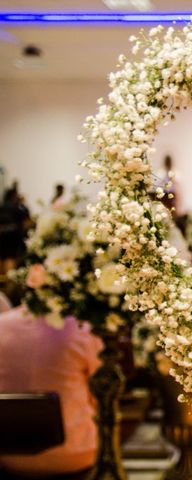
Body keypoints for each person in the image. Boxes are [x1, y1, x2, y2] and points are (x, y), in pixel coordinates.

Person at [0, 307, 102, 477]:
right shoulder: (81, 328)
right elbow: (101, 390)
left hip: (8, 453)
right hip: (74, 455)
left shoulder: (2, 324)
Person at [0, 187, 31, 274]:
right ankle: (8, 281)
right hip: (13, 236)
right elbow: (26, 223)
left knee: (2, 257)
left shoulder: (2, 206)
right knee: (10, 258)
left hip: (2, 235)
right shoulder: (19, 207)